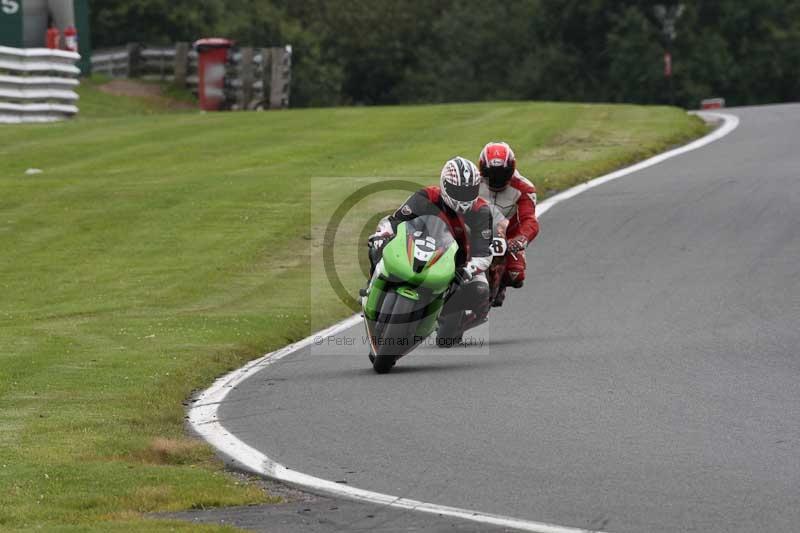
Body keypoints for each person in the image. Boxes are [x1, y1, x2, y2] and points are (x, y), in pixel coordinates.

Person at [368, 157, 494, 343]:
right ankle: (371, 286)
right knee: (377, 244)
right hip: (419, 247)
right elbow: (396, 220)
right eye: (458, 190)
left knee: (481, 290)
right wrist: (383, 233)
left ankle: (441, 313)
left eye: (468, 191)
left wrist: (469, 269)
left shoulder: (482, 211)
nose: (463, 196)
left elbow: (484, 252)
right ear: (444, 184)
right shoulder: (427, 196)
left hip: (460, 263)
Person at [477, 142, 540, 307]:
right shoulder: (472, 182)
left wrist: (521, 239)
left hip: (508, 235)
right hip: (476, 230)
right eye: (491, 174)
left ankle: (500, 284)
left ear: (511, 170)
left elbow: (529, 219)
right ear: (481, 168)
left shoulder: (525, 188)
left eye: (502, 174)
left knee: (516, 276)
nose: (496, 179)